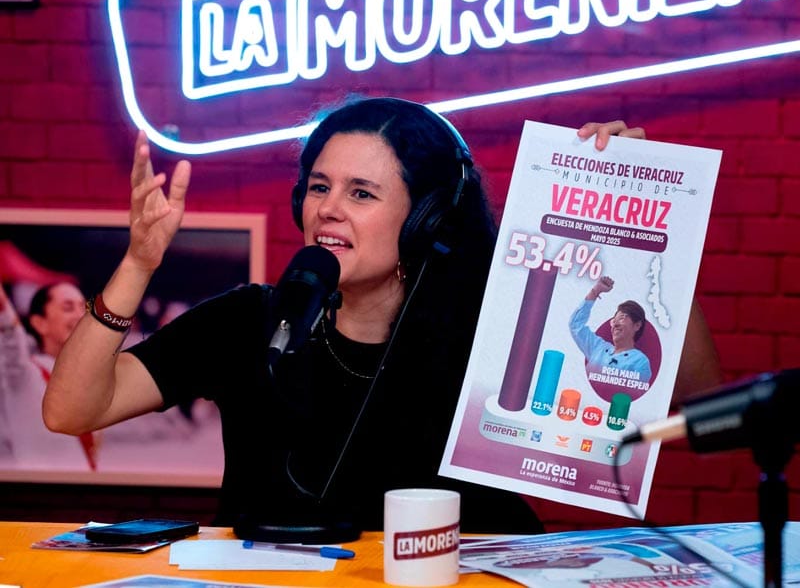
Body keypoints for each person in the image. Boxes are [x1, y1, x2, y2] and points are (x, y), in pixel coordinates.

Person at [42, 97, 721, 534]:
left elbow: (688, 400)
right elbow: (72, 410)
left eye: (361, 193)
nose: (328, 209)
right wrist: (138, 264)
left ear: (426, 220)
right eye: (319, 187)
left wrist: (641, 249)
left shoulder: (495, 328)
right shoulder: (251, 321)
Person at [0, 281, 98, 470]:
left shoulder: (86, 380)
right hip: (41, 487)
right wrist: (3, 307)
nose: (81, 315)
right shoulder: (23, 375)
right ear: (40, 323)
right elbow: (11, 340)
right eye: (68, 308)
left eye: (83, 307)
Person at [570, 276, 652, 384]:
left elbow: (635, 391)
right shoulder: (598, 348)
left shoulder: (640, 362)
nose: (616, 324)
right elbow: (575, 325)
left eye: (622, 318)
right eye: (614, 320)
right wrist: (596, 291)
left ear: (637, 325)